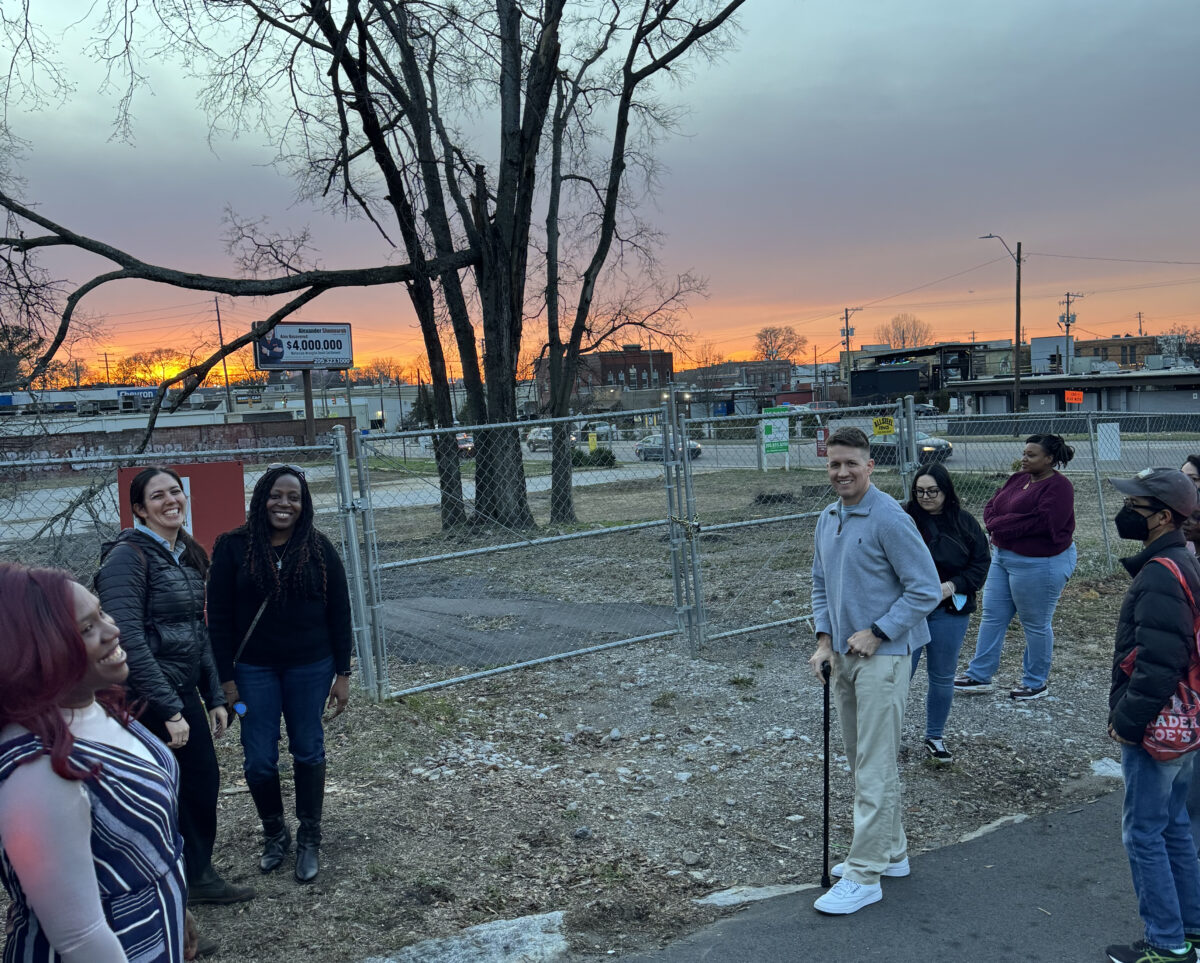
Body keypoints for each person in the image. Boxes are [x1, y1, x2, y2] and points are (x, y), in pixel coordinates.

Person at [0, 563, 186, 962]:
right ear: (37, 650)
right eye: (87, 628)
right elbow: (79, 937)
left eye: (101, 612)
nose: (113, 629)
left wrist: (174, 899)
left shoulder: (93, 705)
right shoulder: (38, 770)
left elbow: (145, 846)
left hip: (151, 931)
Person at [95, 466, 254, 906]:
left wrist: (214, 697)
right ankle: (168, 886)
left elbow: (195, 630)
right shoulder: (128, 557)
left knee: (201, 782)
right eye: (158, 495)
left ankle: (196, 876)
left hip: (180, 692)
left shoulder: (183, 553)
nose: (172, 500)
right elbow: (124, 637)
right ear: (139, 510)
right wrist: (168, 709)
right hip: (144, 697)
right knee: (164, 792)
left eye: (175, 492)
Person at [807, 427, 941, 915]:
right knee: (861, 758)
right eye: (834, 464)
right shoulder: (827, 517)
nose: (842, 472)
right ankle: (893, 852)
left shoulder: (889, 518)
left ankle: (865, 875)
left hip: (884, 657)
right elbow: (821, 582)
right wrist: (824, 641)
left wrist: (879, 631)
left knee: (875, 762)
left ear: (870, 467)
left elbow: (926, 589)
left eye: (851, 464)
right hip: (842, 656)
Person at [207, 465, 353, 884]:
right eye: (276, 495)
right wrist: (226, 678)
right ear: (261, 498)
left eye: (293, 497)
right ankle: (275, 833)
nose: (284, 504)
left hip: (311, 667)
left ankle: (310, 835)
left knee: (308, 748)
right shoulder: (233, 547)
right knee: (257, 758)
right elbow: (216, 618)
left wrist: (342, 673)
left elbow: (340, 613)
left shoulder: (319, 549)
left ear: (303, 504)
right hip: (253, 672)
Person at [1104, 468, 1200, 963]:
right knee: (1173, 826)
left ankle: (1166, 943)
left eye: (1136, 505)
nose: (1126, 511)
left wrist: (1127, 721)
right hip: (1185, 724)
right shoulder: (1183, 559)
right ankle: (1191, 929)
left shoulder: (1162, 572)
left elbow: (1158, 663)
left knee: (1143, 833)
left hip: (1158, 726)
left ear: (1163, 516)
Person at [954, 433, 1077, 701]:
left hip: (1040, 563)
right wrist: (998, 521)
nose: (1024, 458)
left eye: (1031, 455)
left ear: (1050, 459)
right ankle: (979, 675)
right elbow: (992, 506)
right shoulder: (1018, 479)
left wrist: (998, 524)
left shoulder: (1059, 487)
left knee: (1035, 623)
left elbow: (1042, 523)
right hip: (1004, 557)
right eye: (1024, 453)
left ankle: (1035, 682)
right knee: (992, 616)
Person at [905, 464, 990, 764]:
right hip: (909, 611)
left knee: (942, 676)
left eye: (932, 491)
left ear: (946, 491)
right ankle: (885, 736)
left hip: (949, 609)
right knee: (900, 676)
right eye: (920, 491)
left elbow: (981, 563)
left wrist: (952, 586)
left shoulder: (965, 523)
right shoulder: (904, 519)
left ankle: (935, 736)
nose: (926, 497)